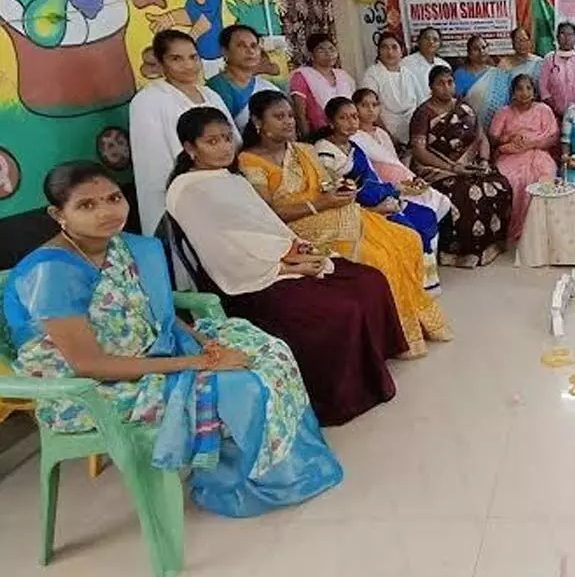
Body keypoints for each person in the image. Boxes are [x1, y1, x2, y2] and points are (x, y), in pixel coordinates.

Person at [3, 161, 342, 516]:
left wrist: (202, 341)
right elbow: (89, 364)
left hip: (148, 354)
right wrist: (201, 362)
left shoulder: (121, 247)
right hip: (92, 390)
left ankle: (275, 468)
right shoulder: (51, 273)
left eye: (114, 198)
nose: (107, 211)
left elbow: (155, 315)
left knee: (269, 350)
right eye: (87, 205)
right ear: (58, 214)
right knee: (241, 384)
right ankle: (240, 481)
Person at [166, 108, 410, 425]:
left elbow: (268, 227)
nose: (225, 147)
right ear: (189, 148)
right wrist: (288, 267)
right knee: (340, 309)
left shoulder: (229, 178)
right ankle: (342, 393)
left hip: (278, 256)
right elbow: (224, 251)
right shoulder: (187, 190)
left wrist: (301, 251)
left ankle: (370, 364)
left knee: (369, 280)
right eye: (212, 141)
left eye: (227, 138)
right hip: (250, 281)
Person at [237, 90, 450, 359]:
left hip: (338, 212)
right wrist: (321, 204)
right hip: (297, 226)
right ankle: (392, 338)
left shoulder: (303, 150)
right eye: (279, 117)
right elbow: (268, 212)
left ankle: (414, 324)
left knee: (407, 239)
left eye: (291, 115)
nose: (289, 121)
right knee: (378, 257)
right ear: (258, 122)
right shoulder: (250, 160)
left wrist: (343, 189)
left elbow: (328, 184)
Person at [313, 97, 443, 292]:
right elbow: (334, 193)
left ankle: (418, 280)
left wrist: (392, 194)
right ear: (331, 122)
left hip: (379, 199)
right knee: (410, 233)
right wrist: (375, 208)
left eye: (354, 117)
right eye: (343, 118)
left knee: (425, 216)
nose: (351, 123)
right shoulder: (324, 151)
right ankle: (410, 286)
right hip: (356, 210)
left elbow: (371, 180)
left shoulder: (354, 147)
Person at [130, 29, 237, 236]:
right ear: (161, 64)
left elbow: (233, 140)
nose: (188, 65)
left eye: (193, 57)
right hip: (177, 197)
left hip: (221, 189)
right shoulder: (148, 100)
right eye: (176, 59)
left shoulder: (210, 94)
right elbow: (154, 164)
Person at [411, 66, 514, 268]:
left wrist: (484, 161)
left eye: (450, 82)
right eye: (440, 83)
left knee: (500, 185)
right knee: (465, 194)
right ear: (431, 87)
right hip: (437, 169)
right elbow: (419, 151)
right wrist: (452, 167)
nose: (446, 87)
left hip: (471, 163)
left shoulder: (463, 106)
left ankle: (492, 246)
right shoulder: (423, 113)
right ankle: (459, 253)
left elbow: (481, 137)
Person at [348, 87, 453, 224]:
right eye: (364, 105)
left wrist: (412, 179)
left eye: (374, 105)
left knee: (441, 201)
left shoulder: (382, 133)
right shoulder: (355, 137)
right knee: (423, 211)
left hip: (403, 181)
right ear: (355, 108)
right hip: (383, 186)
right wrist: (393, 187)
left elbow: (395, 162)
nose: (370, 109)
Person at [490, 74, 559, 242]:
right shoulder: (503, 112)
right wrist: (510, 138)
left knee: (542, 178)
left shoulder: (543, 110)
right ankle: (514, 231)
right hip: (510, 156)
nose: (524, 92)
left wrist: (532, 142)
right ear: (513, 92)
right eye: (519, 88)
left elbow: (552, 137)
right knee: (510, 180)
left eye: (528, 88)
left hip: (538, 153)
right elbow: (493, 138)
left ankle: (540, 231)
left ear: (534, 91)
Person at [360, 32, 425, 148]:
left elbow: (421, 106)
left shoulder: (408, 74)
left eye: (394, 47)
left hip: (413, 135)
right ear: (378, 51)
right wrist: (388, 136)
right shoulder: (372, 74)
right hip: (384, 136)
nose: (390, 52)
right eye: (384, 47)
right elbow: (369, 110)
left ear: (402, 51)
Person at [206, 24, 275, 130]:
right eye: (241, 45)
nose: (250, 51)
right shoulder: (216, 88)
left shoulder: (268, 87)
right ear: (225, 51)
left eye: (253, 46)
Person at [288, 33, 355, 136]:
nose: (328, 53)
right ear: (311, 55)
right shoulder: (302, 76)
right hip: (321, 134)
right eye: (321, 50)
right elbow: (300, 114)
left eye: (331, 49)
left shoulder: (343, 75)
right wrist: (309, 140)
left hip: (350, 133)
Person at [454, 35, 510, 131]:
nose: (481, 51)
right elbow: (457, 103)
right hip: (469, 128)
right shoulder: (460, 74)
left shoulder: (498, 74)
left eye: (484, 47)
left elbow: (507, 101)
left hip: (498, 127)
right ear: (469, 53)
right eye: (476, 49)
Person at [539, 21, 575, 118]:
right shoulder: (549, 58)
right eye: (562, 34)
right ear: (557, 37)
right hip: (555, 113)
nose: (566, 38)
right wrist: (555, 108)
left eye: (570, 34)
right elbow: (543, 89)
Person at [398, 26, 450, 104]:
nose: (431, 42)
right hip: (414, 110)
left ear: (440, 44)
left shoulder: (444, 65)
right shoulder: (406, 63)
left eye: (435, 40)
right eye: (427, 38)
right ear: (419, 41)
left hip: (440, 109)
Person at [498, 27, 543, 97]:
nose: (521, 44)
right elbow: (500, 89)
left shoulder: (538, 62)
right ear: (513, 43)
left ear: (530, 42)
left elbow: (542, 89)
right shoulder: (504, 63)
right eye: (518, 41)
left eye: (524, 40)